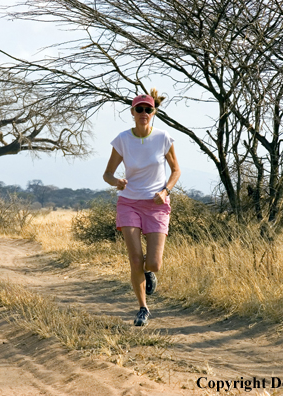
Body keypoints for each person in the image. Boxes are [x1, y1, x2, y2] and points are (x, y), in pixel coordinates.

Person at [103, 89, 181, 326]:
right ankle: (143, 308)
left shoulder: (163, 138)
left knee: (154, 264)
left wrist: (165, 191)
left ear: (153, 112)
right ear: (132, 113)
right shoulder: (122, 140)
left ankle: (148, 275)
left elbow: (176, 170)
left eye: (148, 110)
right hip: (129, 203)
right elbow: (107, 174)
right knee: (135, 259)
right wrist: (117, 182)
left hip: (157, 205)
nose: (144, 113)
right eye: (139, 109)